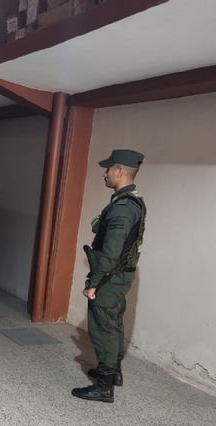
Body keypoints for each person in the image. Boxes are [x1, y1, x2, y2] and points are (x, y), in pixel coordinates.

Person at [72, 149, 147, 403]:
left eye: (108, 169)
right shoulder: (130, 202)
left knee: (102, 327)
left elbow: (111, 251)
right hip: (118, 276)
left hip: (110, 277)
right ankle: (113, 372)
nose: (104, 173)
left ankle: (104, 386)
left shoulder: (123, 209)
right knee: (113, 323)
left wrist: (93, 283)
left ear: (120, 171)